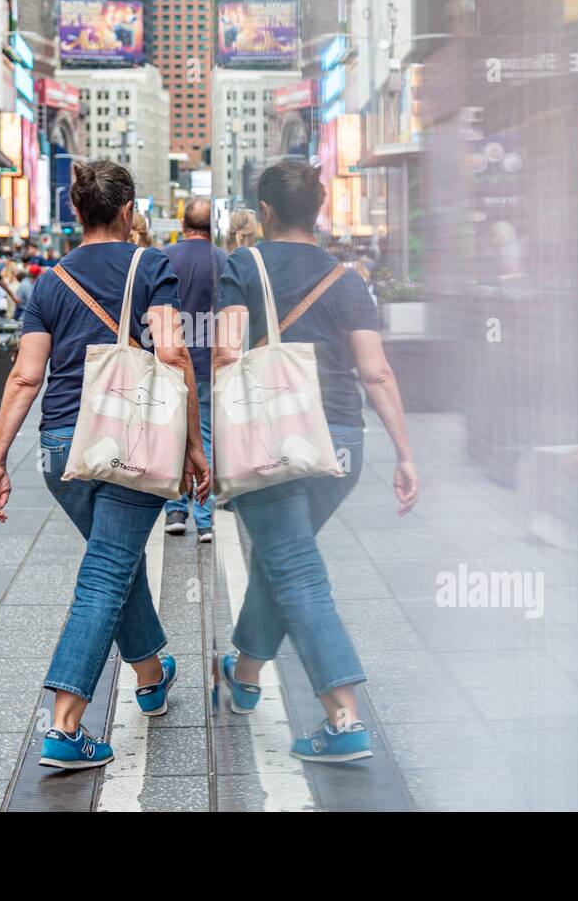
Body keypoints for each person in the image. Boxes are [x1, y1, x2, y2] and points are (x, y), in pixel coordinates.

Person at [0, 159, 210, 770]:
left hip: (61, 448)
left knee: (116, 561)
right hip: (131, 441)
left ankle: (150, 672)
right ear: (130, 212)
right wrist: (193, 442)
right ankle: (64, 725)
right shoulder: (151, 265)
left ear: (78, 213)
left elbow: (27, 373)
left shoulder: (50, 281)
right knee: (107, 571)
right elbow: (173, 352)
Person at [213, 160, 419, 763]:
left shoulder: (242, 266)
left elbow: (226, 355)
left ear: (267, 212)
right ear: (320, 211)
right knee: (286, 558)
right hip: (343, 447)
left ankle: (345, 719)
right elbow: (375, 371)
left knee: (296, 572)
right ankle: (245, 672)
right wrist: (406, 453)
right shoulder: (349, 278)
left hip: (274, 441)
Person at [161, 199, 227, 542]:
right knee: (206, 436)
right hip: (209, 364)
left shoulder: (165, 256)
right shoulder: (222, 259)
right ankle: (204, 517)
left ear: (182, 222)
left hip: (171, 361)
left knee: (171, 433)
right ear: (211, 227)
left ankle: (175, 508)